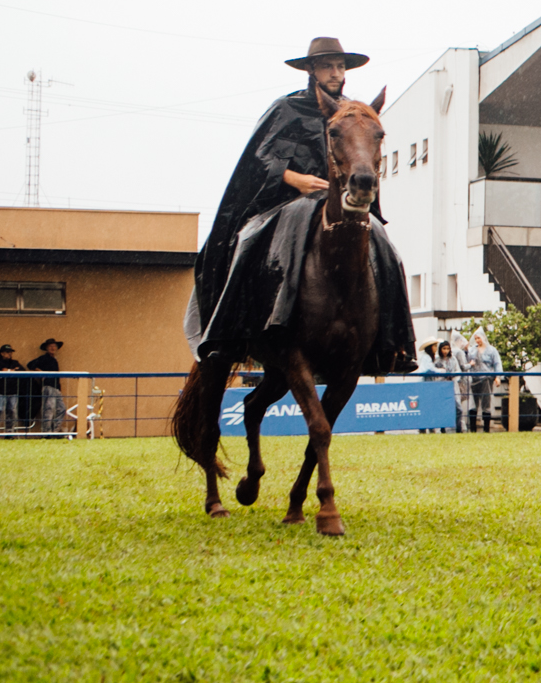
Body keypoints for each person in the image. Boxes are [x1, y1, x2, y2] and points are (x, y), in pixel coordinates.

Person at [185, 37, 413, 371]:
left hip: (338, 204)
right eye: (327, 65)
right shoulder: (285, 109)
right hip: (284, 203)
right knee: (247, 239)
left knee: (386, 246)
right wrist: (295, 179)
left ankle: (396, 344)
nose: (335, 73)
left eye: (340, 66)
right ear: (311, 70)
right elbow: (257, 159)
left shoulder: (354, 113)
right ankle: (224, 334)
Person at [27, 337, 66, 433]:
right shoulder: (44, 358)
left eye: (54, 346)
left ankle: (54, 431)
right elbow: (30, 364)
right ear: (47, 348)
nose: (53, 348)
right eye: (50, 346)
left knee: (61, 409)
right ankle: (46, 432)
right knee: (48, 409)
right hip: (48, 387)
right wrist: (41, 372)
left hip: (56, 388)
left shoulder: (53, 359)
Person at [467, 330, 501, 431]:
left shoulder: (491, 350)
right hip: (474, 379)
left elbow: (497, 363)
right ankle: (473, 429)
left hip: (487, 379)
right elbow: (466, 360)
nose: (477, 340)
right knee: (473, 403)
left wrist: (498, 376)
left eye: (479, 338)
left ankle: (486, 428)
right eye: (476, 338)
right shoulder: (472, 350)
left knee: (486, 403)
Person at [0, 344, 23, 433]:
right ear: (2, 353)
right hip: (0, 391)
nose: (9, 354)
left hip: (12, 391)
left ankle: (9, 432)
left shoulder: (15, 362)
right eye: (7, 352)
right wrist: (12, 370)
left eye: (10, 352)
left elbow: (21, 370)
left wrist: (7, 370)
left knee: (11, 411)